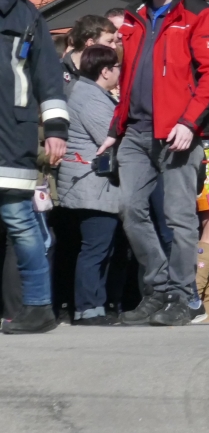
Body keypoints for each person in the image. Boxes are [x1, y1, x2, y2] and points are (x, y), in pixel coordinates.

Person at [102, 0, 209, 327]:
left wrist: (189, 123)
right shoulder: (133, 15)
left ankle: (183, 296)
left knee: (179, 218)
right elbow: (129, 76)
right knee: (130, 209)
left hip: (178, 132)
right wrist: (114, 129)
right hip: (136, 132)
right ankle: (158, 289)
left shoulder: (198, 13)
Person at [0, 0, 67, 333]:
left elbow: (48, 77)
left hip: (13, 135)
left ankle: (39, 307)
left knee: (20, 220)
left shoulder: (27, 16)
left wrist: (55, 130)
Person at [58, 45, 122, 325]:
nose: (120, 72)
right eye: (117, 67)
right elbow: (109, 138)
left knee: (100, 247)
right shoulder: (90, 98)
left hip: (92, 185)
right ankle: (87, 308)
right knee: (95, 248)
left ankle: (95, 306)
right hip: (91, 185)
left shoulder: (90, 93)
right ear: (105, 71)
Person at [60, 14, 117, 83]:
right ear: (90, 43)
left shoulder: (109, 69)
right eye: (109, 41)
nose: (114, 46)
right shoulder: (58, 71)